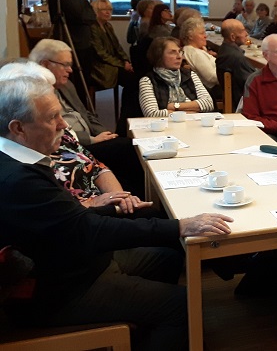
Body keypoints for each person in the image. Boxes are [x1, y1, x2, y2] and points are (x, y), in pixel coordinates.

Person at [0, 76, 233, 350]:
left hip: (74, 263)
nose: (63, 124)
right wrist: (179, 226)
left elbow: (73, 224)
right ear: (18, 128)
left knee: (168, 259)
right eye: (53, 117)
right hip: (58, 291)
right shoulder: (18, 179)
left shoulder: (20, 159)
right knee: (183, 305)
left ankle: (143, 329)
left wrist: (119, 209)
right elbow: (89, 230)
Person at [0, 61, 151, 214]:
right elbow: (64, 214)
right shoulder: (28, 165)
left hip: (103, 200)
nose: (63, 124)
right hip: (90, 214)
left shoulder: (59, 134)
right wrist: (95, 204)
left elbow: (96, 166)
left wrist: (121, 197)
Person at [29, 39, 145, 196]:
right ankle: (142, 194)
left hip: (90, 138)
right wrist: (93, 139)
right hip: (74, 145)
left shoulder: (66, 85)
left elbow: (86, 113)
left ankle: (136, 193)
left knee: (124, 146)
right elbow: (56, 132)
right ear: (45, 64)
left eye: (70, 64)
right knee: (126, 147)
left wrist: (104, 132)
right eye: (65, 64)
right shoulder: (37, 96)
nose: (70, 70)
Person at [54, 0, 96, 104]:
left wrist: (88, 15)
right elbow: (80, 15)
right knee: (76, 84)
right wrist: (87, 15)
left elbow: (90, 13)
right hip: (74, 43)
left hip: (83, 42)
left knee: (85, 81)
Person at [138, 37, 214, 118]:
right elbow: (152, 114)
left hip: (195, 123)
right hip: (166, 125)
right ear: (159, 56)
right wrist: (192, 112)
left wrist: (174, 106)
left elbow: (209, 104)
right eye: (172, 52)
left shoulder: (190, 75)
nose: (179, 57)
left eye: (180, 52)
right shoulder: (148, 81)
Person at [89, 0, 134, 92]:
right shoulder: (92, 27)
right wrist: (122, 64)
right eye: (104, 10)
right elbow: (100, 53)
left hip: (112, 63)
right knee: (130, 79)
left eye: (109, 9)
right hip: (100, 66)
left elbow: (117, 47)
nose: (108, 12)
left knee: (136, 77)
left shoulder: (108, 25)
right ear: (96, 11)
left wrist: (126, 60)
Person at [215, 19, 257, 108]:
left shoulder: (224, 50)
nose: (246, 34)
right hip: (243, 103)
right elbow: (253, 82)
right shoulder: (235, 57)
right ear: (233, 37)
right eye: (242, 31)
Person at [179, 17, 219, 96]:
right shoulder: (194, 53)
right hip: (213, 91)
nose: (205, 36)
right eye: (202, 33)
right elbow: (212, 77)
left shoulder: (194, 50)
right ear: (190, 36)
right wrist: (231, 75)